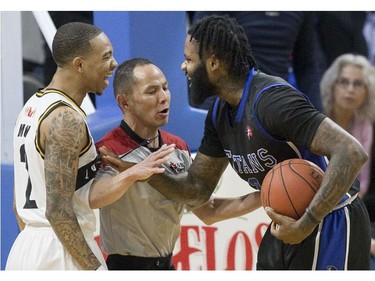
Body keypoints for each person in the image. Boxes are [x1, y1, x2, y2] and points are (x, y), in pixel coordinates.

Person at [101, 15, 371, 270]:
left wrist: (309, 221)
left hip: (331, 218)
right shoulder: (219, 113)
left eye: (189, 60)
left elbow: (351, 152)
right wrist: (141, 174)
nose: (184, 67)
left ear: (213, 63)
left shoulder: (272, 101)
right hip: (289, 220)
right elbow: (196, 190)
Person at [7, 22, 175, 270]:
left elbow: (17, 204)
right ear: (79, 65)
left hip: (26, 246)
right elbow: (58, 212)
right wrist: (95, 270)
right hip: (60, 251)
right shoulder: (66, 119)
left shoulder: (32, 107)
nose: (114, 64)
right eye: (106, 56)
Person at [92, 58, 262, 270]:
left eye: (165, 88)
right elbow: (94, 198)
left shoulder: (177, 148)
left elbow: (208, 211)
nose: (163, 97)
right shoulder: (110, 148)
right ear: (125, 102)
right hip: (125, 266)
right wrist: (133, 173)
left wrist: (266, 195)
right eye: (152, 91)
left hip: (167, 265)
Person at [189, 11, 325, 112]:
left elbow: (307, 65)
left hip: (274, 108)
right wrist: (206, 112)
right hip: (225, 105)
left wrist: (317, 117)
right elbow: (197, 52)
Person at [320, 54, 375, 269]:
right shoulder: (315, 119)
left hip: (354, 206)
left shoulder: (367, 128)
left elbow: (364, 187)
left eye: (357, 84)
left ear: (367, 91)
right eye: (344, 82)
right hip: (313, 202)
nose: (350, 89)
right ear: (332, 85)